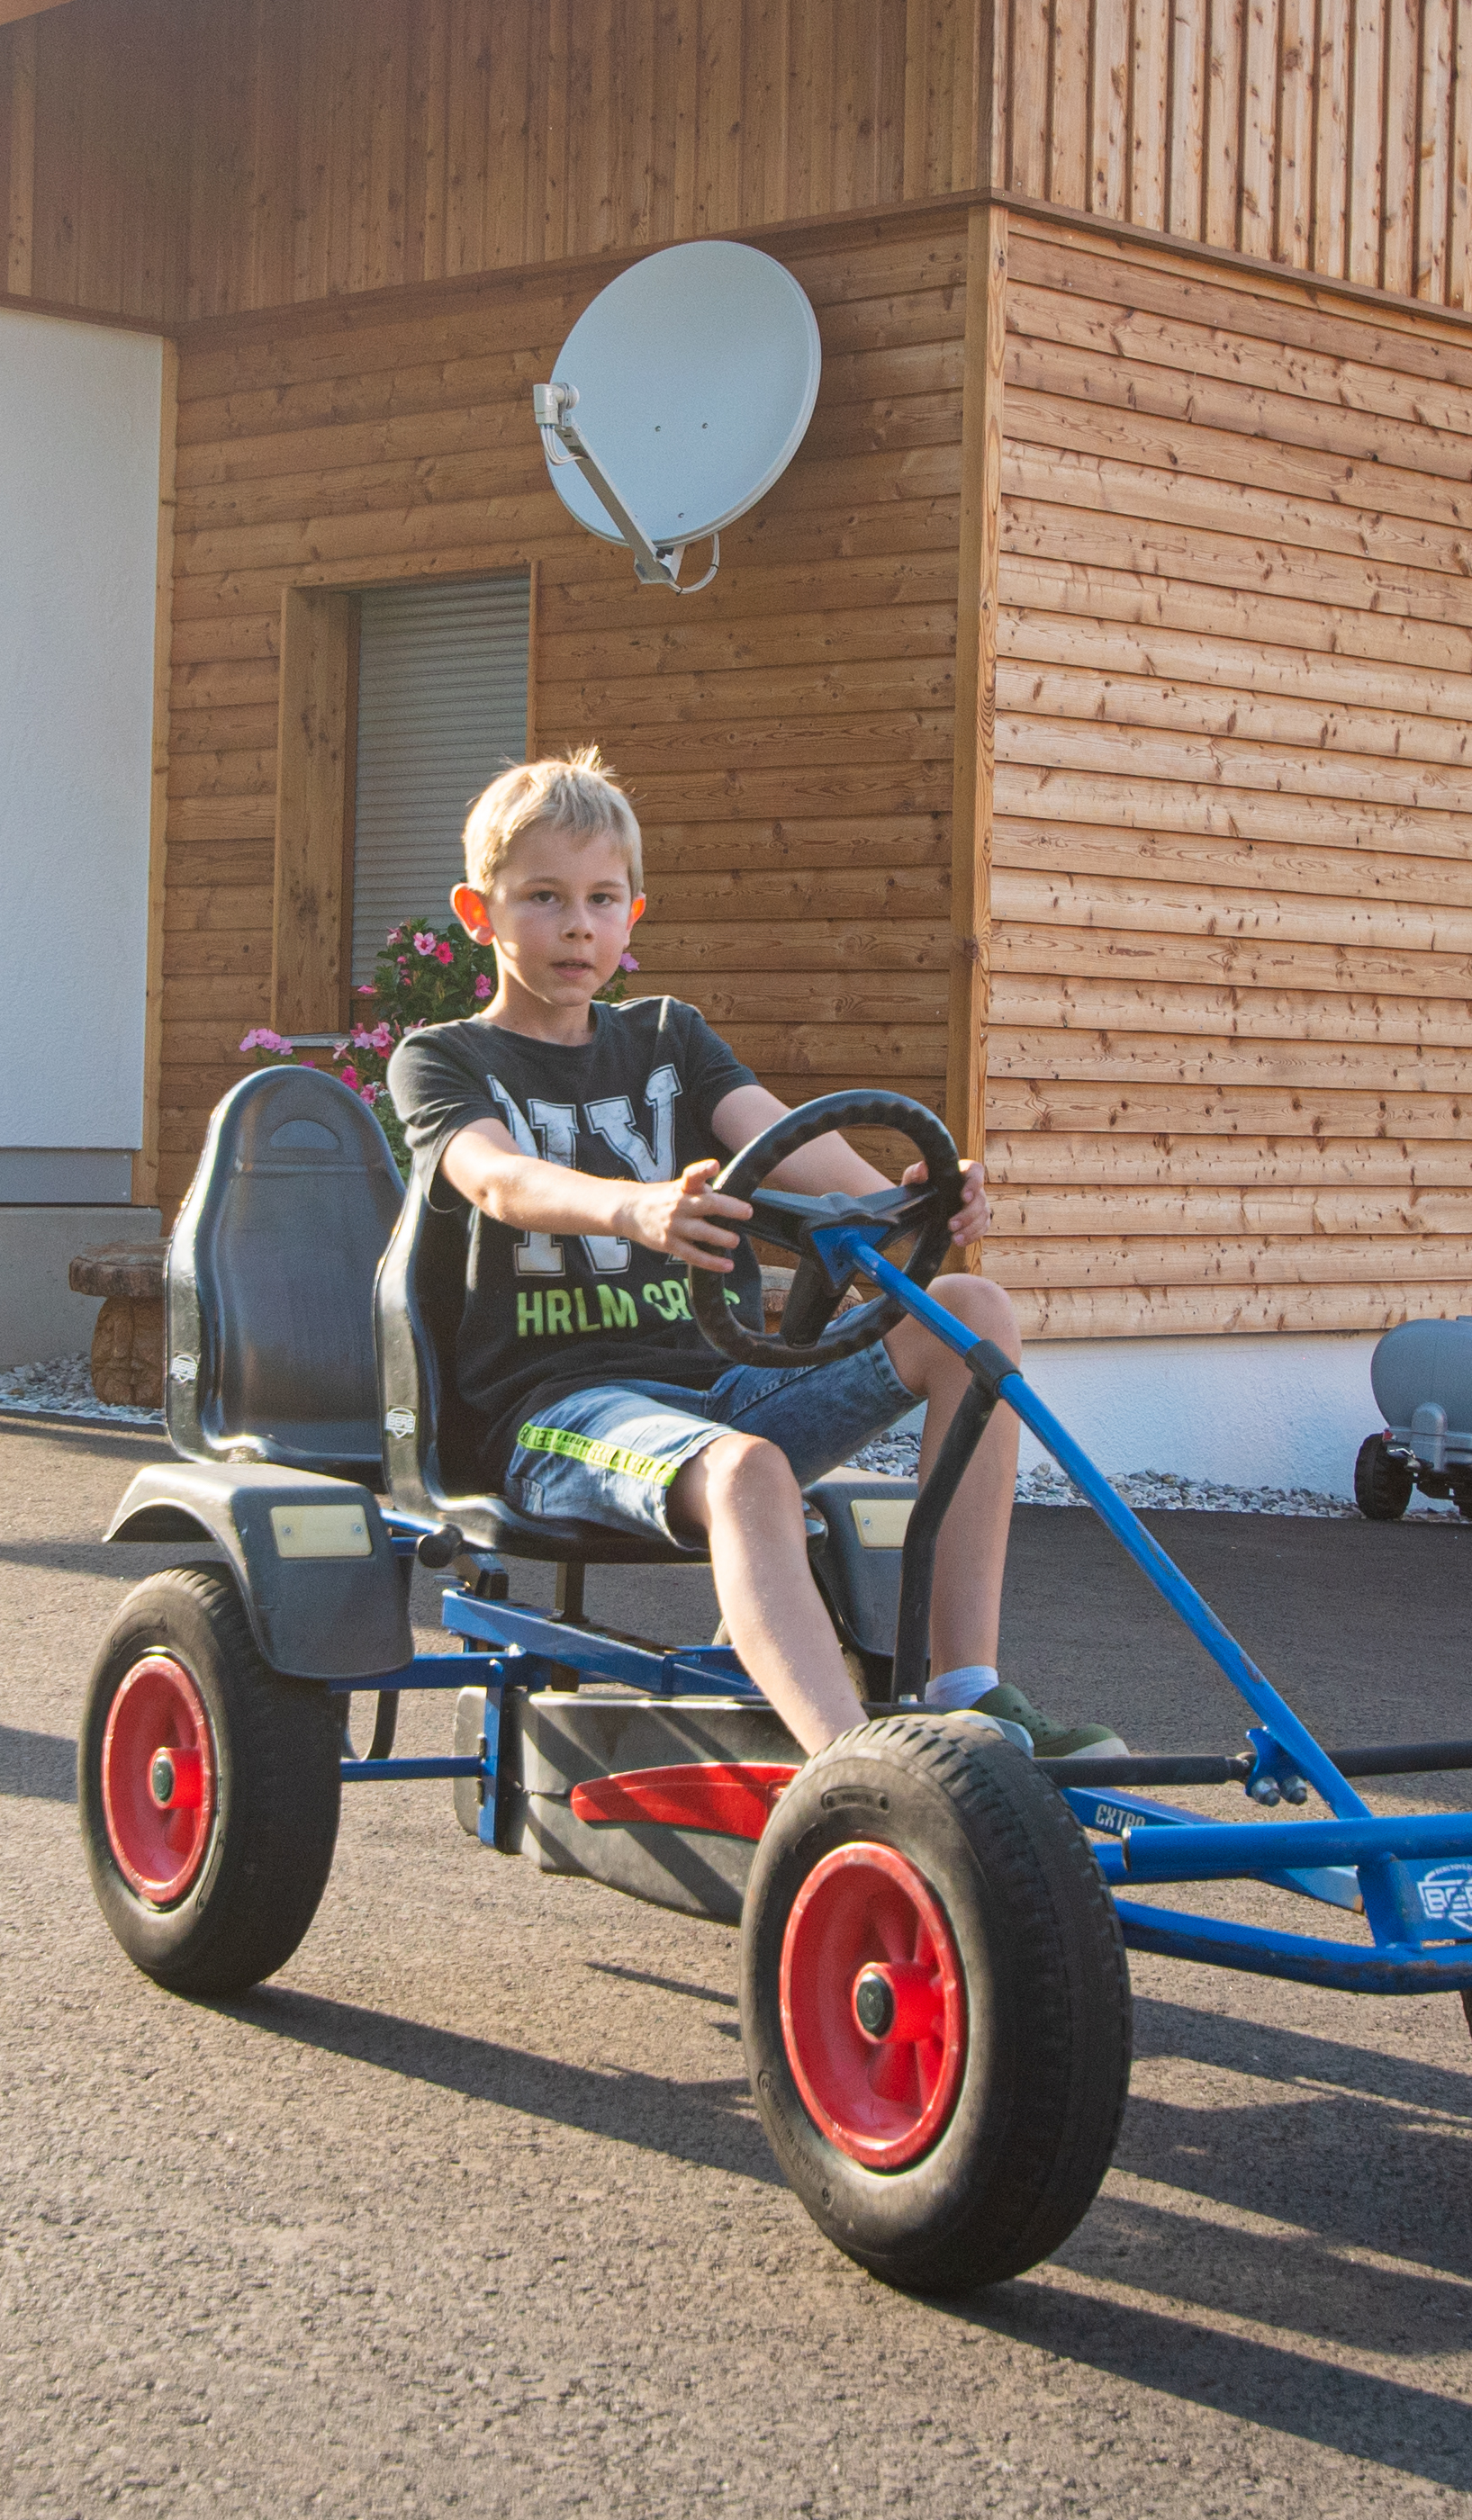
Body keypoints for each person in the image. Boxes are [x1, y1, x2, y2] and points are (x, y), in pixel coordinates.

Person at [384, 749, 1108, 1762]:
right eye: (543, 898)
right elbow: (500, 1180)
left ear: (634, 915)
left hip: (717, 1389)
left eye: (601, 898)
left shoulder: (669, 1041)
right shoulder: (445, 1060)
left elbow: (813, 1159)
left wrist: (913, 1202)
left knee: (971, 1312)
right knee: (747, 1473)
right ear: (479, 913)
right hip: (555, 1418)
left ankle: (967, 1691)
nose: (578, 925)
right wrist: (633, 1209)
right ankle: (858, 1771)